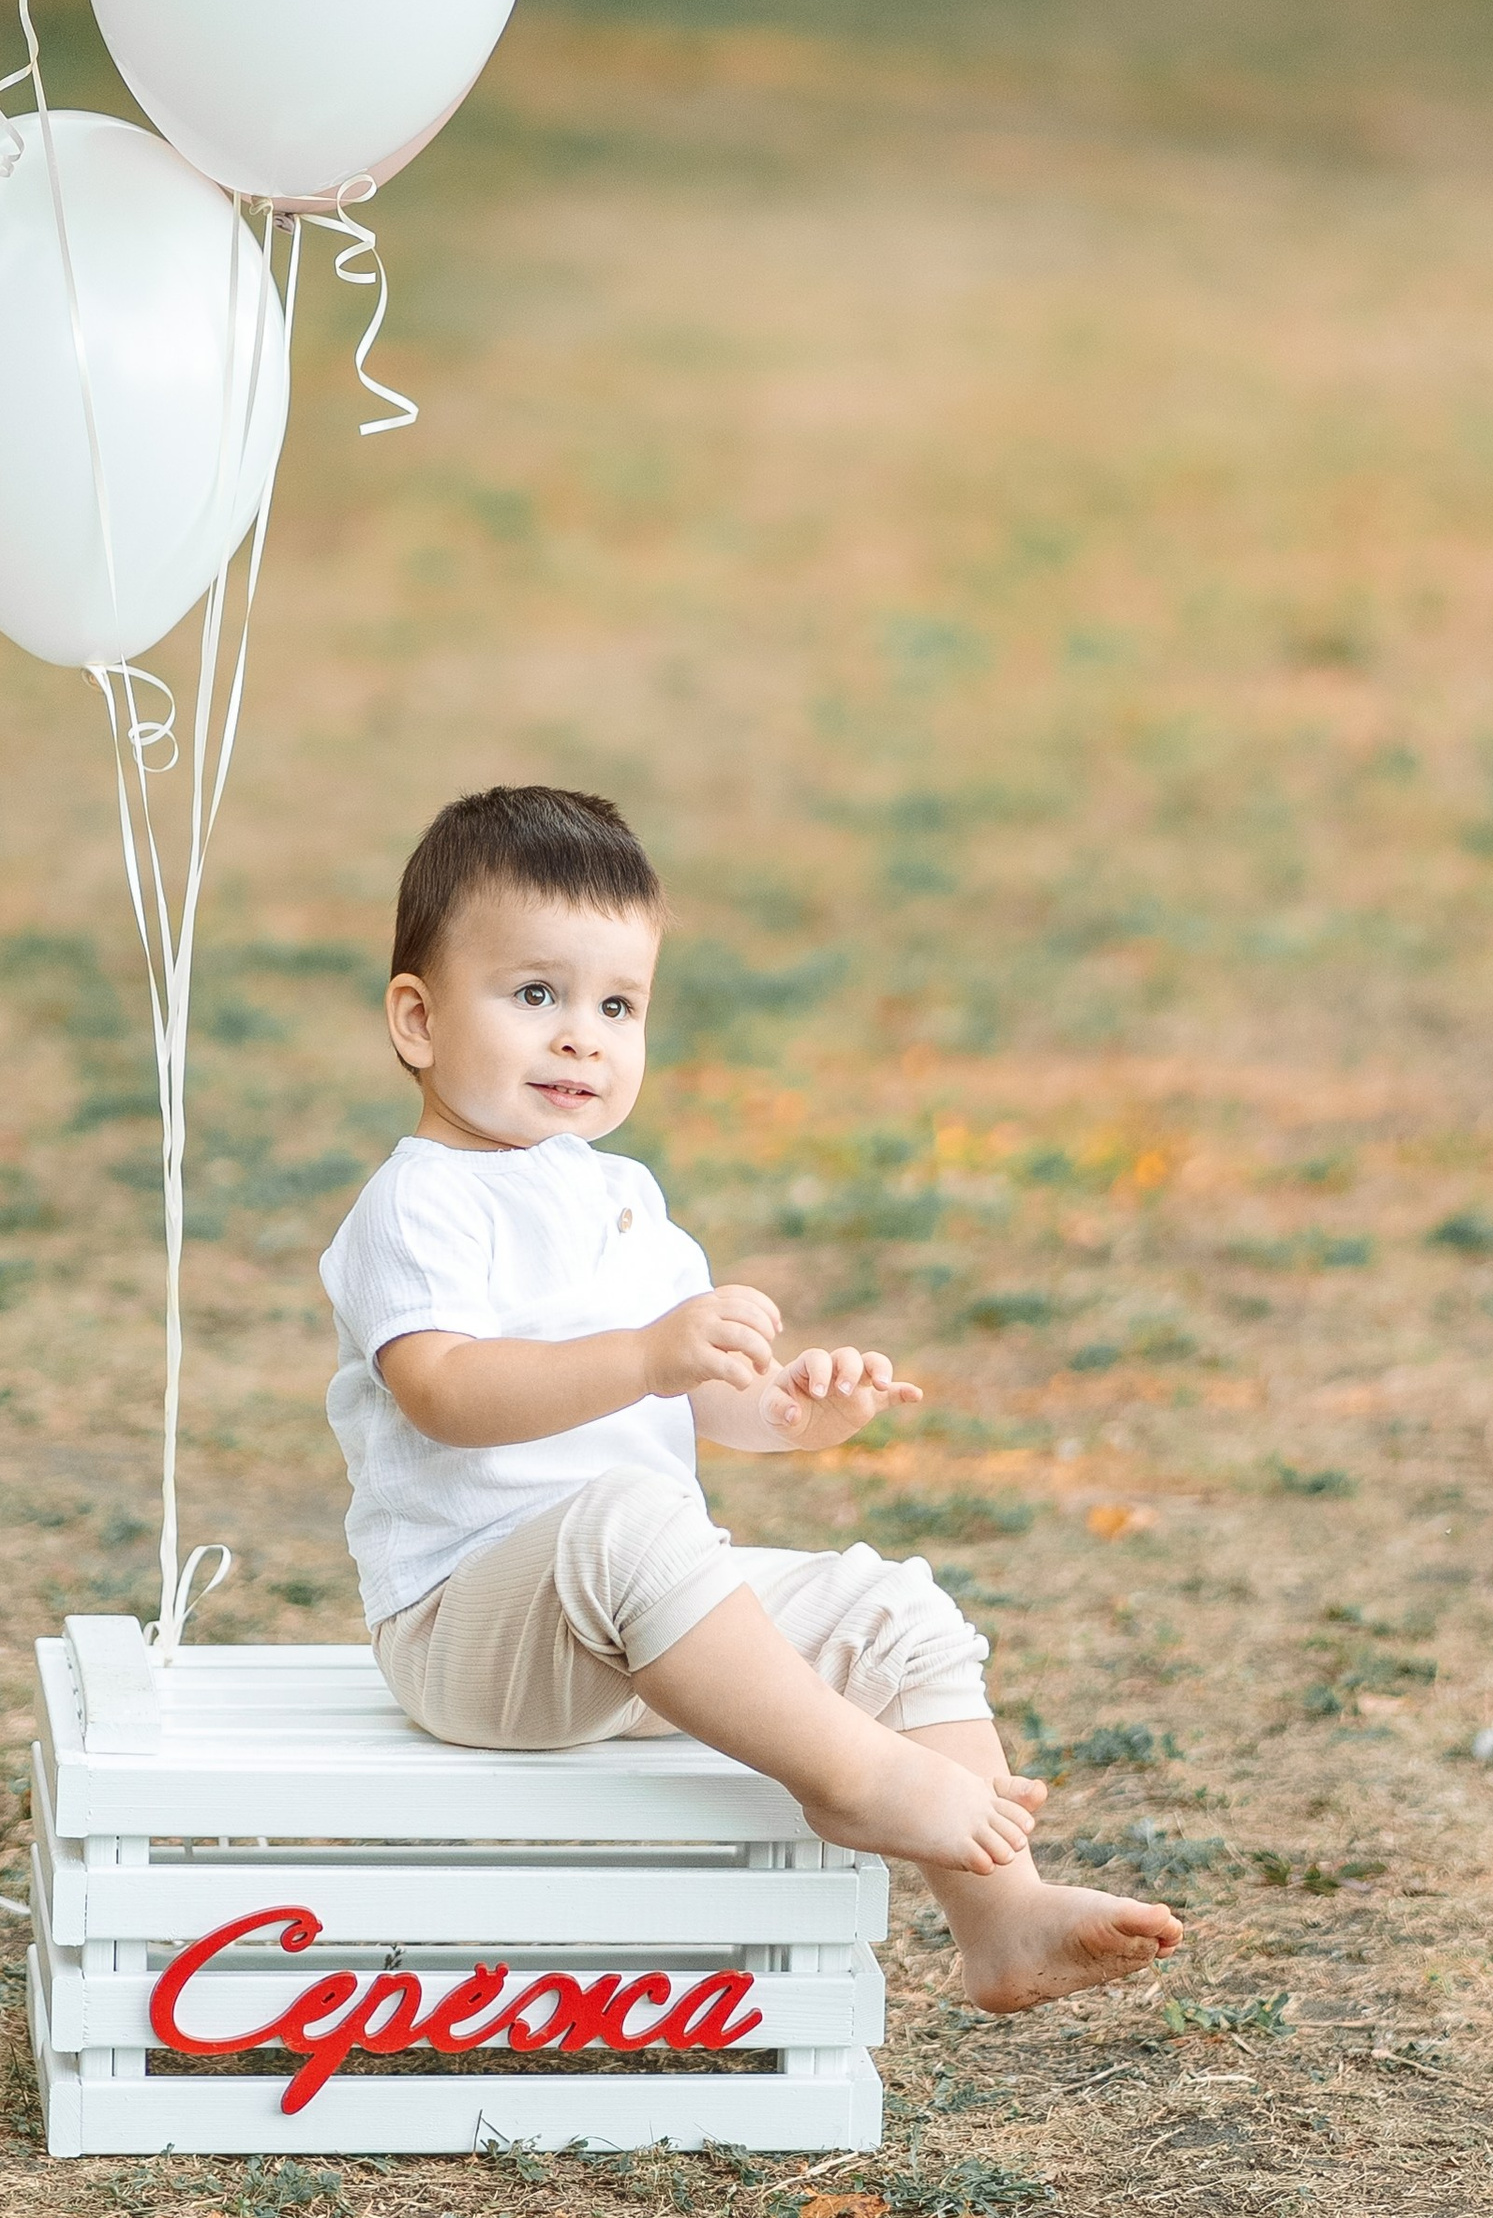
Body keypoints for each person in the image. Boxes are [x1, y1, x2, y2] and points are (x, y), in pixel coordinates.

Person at [319, 782, 1183, 2019]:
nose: (582, 1038)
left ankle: (1001, 1919)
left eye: (617, 1005)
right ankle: (852, 1776)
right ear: (417, 1019)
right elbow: (445, 1394)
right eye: (534, 996)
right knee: (625, 1518)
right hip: (471, 1632)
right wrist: (642, 1356)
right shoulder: (419, 1202)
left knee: (893, 1608)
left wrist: (782, 1410)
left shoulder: (620, 1193)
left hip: (644, 1627)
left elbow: (692, 1401)